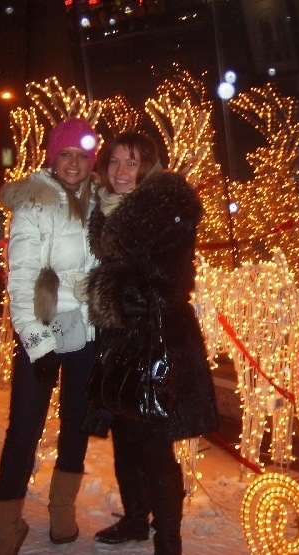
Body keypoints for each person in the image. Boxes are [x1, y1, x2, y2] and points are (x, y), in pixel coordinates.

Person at [84, 131, 220, 555]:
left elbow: (169, 287)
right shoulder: (105, 211)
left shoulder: (166, 210)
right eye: (114, 162)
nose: (121, 171)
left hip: (159, 344)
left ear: (150, 167)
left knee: (154, 444)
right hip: (121, 342)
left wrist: (106, 292)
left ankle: (168, 540)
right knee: (124, 435)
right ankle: (134, 519)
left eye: (132, 162)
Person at [0, 118, 99, 554]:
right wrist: (37, 342)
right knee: (24, 427)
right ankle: (6, 525)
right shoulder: (34, 202)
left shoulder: (99, 202)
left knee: (76, 423)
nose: (73, 163)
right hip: (43, 327)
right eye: (65, 154)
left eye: (82, 156)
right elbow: (20, 281)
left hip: (88, 332)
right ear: (53, 157)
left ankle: (62, 509)